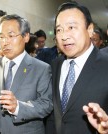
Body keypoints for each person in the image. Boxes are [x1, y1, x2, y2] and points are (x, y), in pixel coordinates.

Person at [45, 1, 108, 134]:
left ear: (90, 30)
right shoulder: (55, 65)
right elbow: (54, 115)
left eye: (71, 27)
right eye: (59, 30)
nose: (64, 36)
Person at [0, 14, 53, 134]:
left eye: (11, 35)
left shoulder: (42, 68)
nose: (5, 42)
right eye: (1, 37)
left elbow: (46, 104)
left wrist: (18, 107)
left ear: (26, 36)